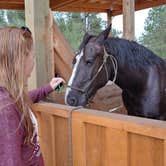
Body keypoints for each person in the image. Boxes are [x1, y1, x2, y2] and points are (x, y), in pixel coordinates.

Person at [0, 26, 65, 165]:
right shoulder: (6, 111)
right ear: (20, 59)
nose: (34, 62)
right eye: (33, 56)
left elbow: (26, 98)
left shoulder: (9, 97)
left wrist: (48, 88)